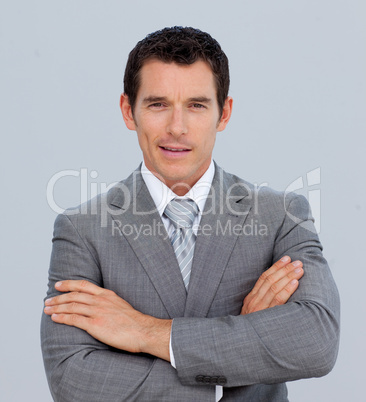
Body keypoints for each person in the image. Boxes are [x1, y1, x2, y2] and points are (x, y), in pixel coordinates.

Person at [41, 26, 340, 401]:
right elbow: (72, 378)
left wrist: (145, 332)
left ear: (224, 112)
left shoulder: (281, 215)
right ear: (128, 111)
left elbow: (317, 341)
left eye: (196, 105)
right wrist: (228, 372)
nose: (177, 128)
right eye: (157, 104)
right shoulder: (81, 230)